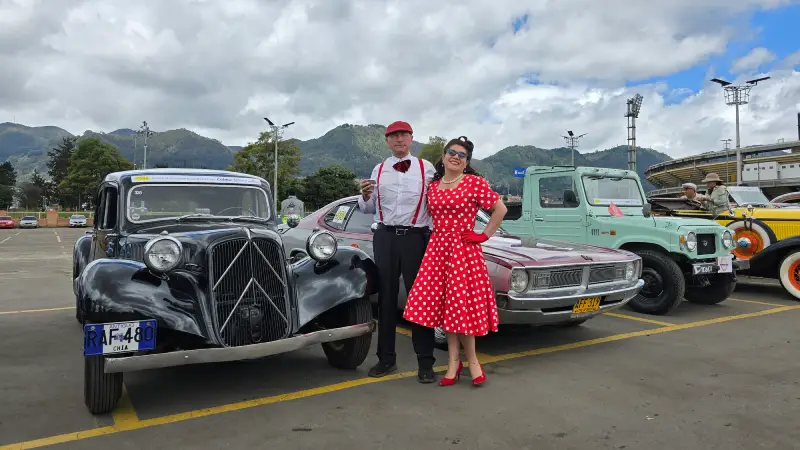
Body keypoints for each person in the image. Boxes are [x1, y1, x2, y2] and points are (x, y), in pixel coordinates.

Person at [401, 136, 507, 387]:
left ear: (467, 162)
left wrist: (484, 235)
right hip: (438, 251)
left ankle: (472, 361)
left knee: (462, 307)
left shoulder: (473, 182)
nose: (456, 157)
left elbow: (500, 209)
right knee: (448, 309)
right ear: (443, 156)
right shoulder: (433, 186)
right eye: (452, 152)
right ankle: (453, 362)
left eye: (462, 155)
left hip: (463, 252)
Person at [357, 120, 438, 383]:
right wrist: (365, 195)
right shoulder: (378, 169)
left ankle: (425, 362)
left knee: (420, 299)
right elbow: (368, 208)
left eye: (403, 135)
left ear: (411, 138)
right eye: (393, 136)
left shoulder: (426, 168)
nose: (399, 140)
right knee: (386, 299)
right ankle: (386, 359)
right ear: (387, 141)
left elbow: (437, 203)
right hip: (386, 237)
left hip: (416, 238)